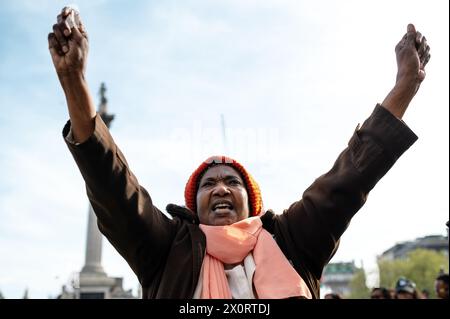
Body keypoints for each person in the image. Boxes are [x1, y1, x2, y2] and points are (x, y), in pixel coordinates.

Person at [48, 7, 431, 299]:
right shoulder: (168, 249)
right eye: (208, 183)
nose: (219, 188)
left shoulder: (291, 240)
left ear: (252, 201)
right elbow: (114, 190)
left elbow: (350, 179)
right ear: (192, 205)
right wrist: (74, 83)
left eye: (232, 181)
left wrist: (404, 88)